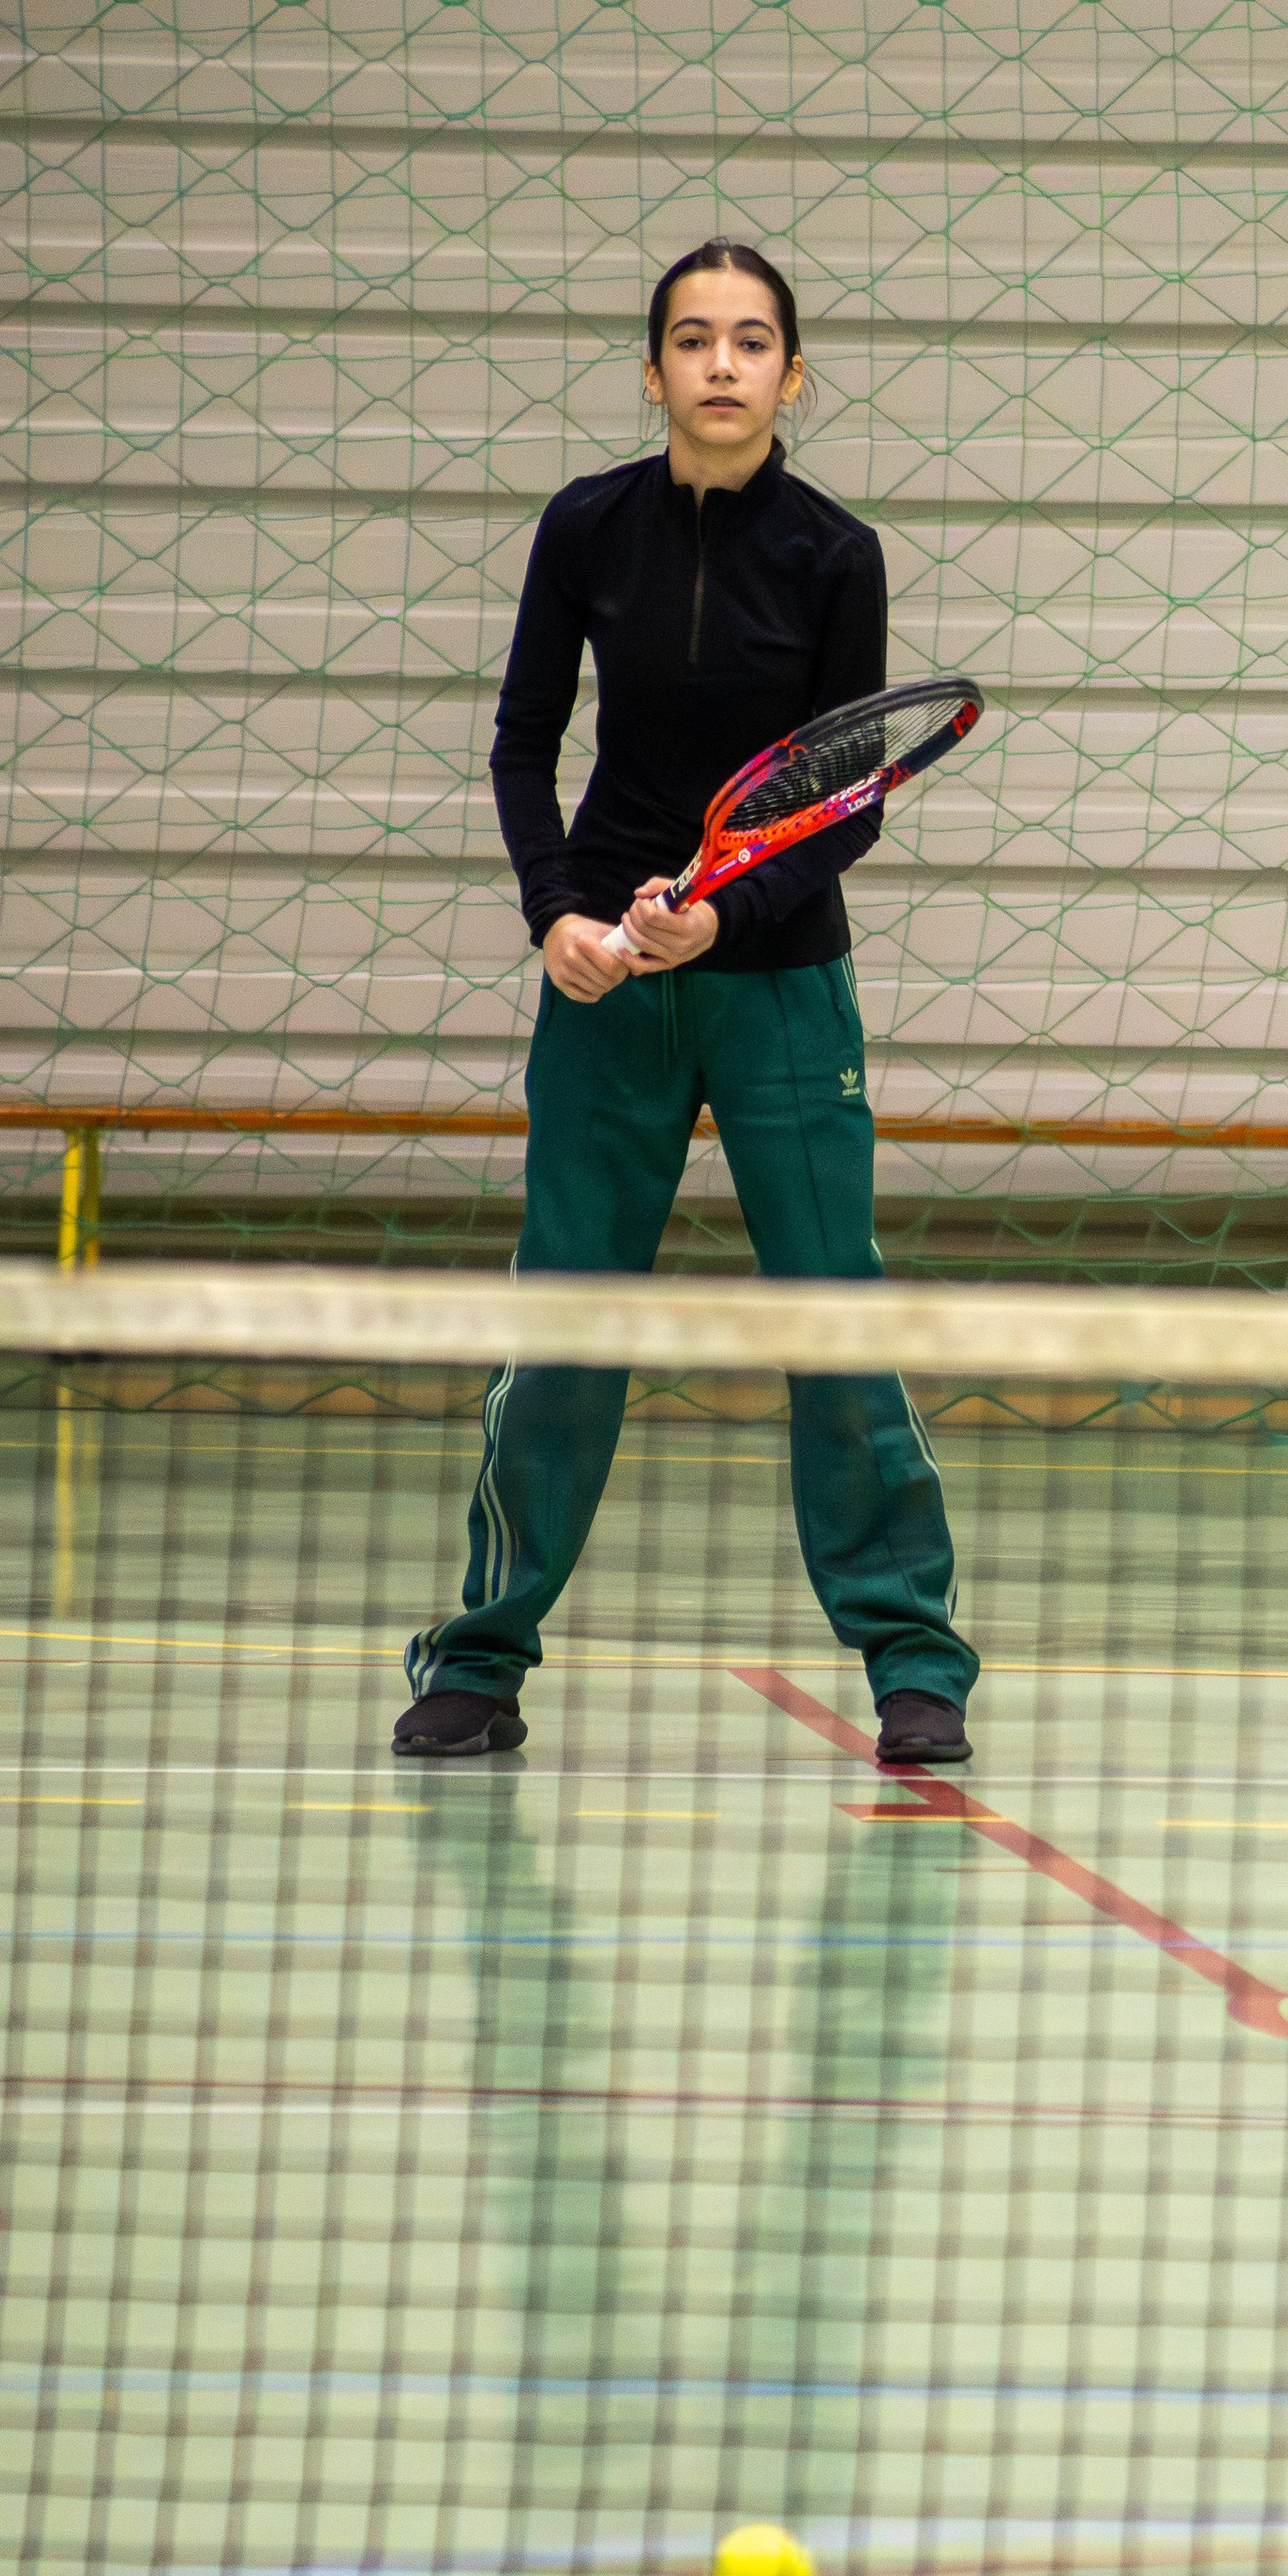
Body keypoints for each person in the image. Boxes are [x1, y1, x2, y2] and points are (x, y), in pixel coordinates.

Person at [394, 240, 979, 1769]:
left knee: (833, 1318)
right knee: (566, 1322)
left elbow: (844, 805)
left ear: (793, 373)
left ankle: (915, 1663)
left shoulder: (835, 553)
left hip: (780, 986)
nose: (723, 364)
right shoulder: (585, 529)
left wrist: (727, 914)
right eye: (693, 339)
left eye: (753, 340)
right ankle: (478, 1656)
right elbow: (526, 744)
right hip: (607, 987)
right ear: (652, 369)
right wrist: (561, 921)